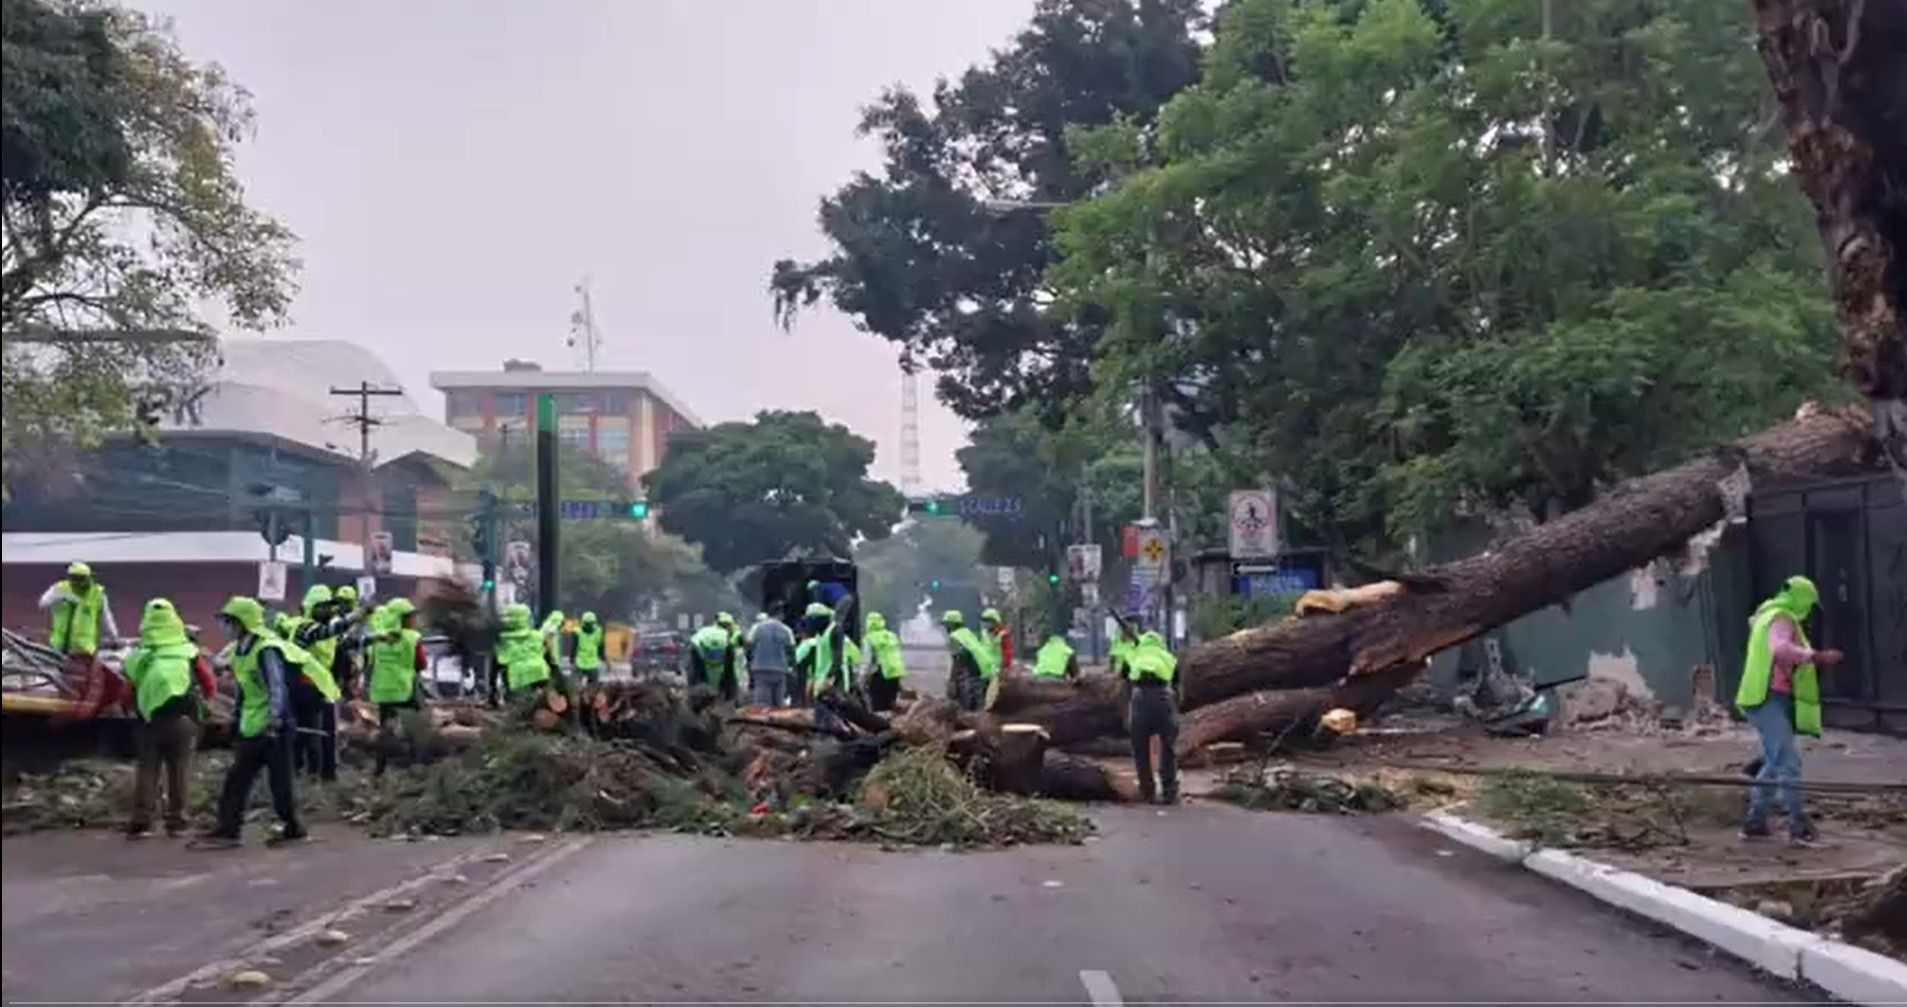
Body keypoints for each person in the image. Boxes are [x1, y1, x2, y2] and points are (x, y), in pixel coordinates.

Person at [1736, 575, 1842, 845]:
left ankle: (1755, 822)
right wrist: (1816, 656)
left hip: (1762, 696)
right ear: (1802, 599)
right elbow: (1781, 649)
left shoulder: (1765, 615)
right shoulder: (1781, 617)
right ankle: (1798, 826)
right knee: (1789, 763)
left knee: (1774, 762)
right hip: (1767, 696)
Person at [199, 597, 305, 848]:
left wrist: (274, 719)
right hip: (252, 725)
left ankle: (293, 827)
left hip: (273, 728)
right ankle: (228, 829)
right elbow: (244, 689)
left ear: (242, 623)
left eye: (229, 621)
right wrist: (237, 718)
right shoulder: (239, 650)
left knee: (280, 784)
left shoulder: (266, 648)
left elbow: (276, 686)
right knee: (236, 780)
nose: (225, 626)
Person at [122, 598, 209, 838]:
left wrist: (129, 708)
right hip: (183, 719)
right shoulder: (189, 653)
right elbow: (208, 684)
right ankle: (177, 822)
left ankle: (143, 822)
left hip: (149, 721)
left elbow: (127, 691)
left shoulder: (138, 656)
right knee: (179, 771)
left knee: (147, 769)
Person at [283, 585, 347, 781]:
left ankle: (326, 775)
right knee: (308, 735)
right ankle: (303, 775)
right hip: (303, 687)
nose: (328, 611)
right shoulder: (305, 627)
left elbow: (344, 646)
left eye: (329, 607)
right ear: (312, 607)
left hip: (323, 687)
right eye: (323, 607)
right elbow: (326, 631)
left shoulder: (328, 633)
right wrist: (357, 616)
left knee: (327, 734)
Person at [40, 561, 122, 714]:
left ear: (89, 578)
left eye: (81, 578)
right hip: (60, 645)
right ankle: (66, 704)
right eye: (74, 578)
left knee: (82, 678)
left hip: (84, 647)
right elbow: (43, 603)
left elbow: (106, 617)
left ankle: (80, 705)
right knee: (63, 677)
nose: (78, 582)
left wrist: (114, 637)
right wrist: (60, 597)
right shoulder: (60, 589)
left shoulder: (97, 594)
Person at [367, 598, 426, 775]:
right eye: (410, 617)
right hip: (405, 689)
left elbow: (370, 663)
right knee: (415, 726)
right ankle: (416, 763)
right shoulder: (412, 638)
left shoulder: (378, 639)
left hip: (383, 690)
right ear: (402, 618)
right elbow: (421, 663)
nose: (413, 620)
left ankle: (380, 767)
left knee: (385, 729)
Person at [1125, 626, 1181, 805]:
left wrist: (1127, 713)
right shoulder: (1169, 658)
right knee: (1168, 747)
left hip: (1140, 698)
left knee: (1140, 748)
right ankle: (1169, 791)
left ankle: (1147, 791)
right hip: (1164, 698)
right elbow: (1178, 688)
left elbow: (1124, 685)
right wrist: (1176, 710)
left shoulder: (1134, 656)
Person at [943, 610, 997, 712]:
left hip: (974, 672)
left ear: (952, 624)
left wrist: (952, 681)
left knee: (967, 704)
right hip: (986, 670)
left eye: (946, 625)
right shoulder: (967, 633)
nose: (945, 628)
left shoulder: (954, 636)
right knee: (980, 703)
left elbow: (958, 660)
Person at [496, 604, 549, 699]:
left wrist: (493, 694)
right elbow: (548, 657)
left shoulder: (504, 640)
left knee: (517, 706)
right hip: (539, 674)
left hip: (516, 678)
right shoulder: (538, 636)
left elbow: (497, 665)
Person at [746, 609, 796, 707]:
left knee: (762, 705)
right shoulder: (786, 630)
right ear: (781, 615)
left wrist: (750, 663)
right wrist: (791, 667)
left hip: (761, 669)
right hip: (780, 670)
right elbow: (791, 651)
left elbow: (749, 647)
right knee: (778, 703)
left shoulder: (757, 628)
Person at [861, 612, 907, 711]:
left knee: (878, 707)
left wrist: (863, 677)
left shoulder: (870, 638)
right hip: (895, 673)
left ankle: (881, 724)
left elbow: (867, 660)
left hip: (881, 674)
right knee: (890, 705)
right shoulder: (891, 636)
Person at [689, 617, 738, 702]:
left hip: (719, 648)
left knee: (728, 674)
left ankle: (728, 698)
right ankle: (699, 697)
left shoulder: (727, 640)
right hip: (701, 648)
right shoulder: (698, 642)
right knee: (698, 673)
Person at [573, 612, 606, 687]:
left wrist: (572, 658)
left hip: (581, 663)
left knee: (576, 685)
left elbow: (574, 647)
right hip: (591, 664)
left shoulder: (578, 632)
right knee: (593, 686)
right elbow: (601, 646)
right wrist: (603, 656)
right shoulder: (598, 632)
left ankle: (580, 693)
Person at [981, 608, 1013, 673]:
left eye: (988, 621)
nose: (986, 624)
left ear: (995, 621)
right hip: (987, 669)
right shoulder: (984, 634)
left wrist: (1005, 668)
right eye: (984, 621)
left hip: (1000, 670)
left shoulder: (1003, 635)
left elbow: (1008, 653)